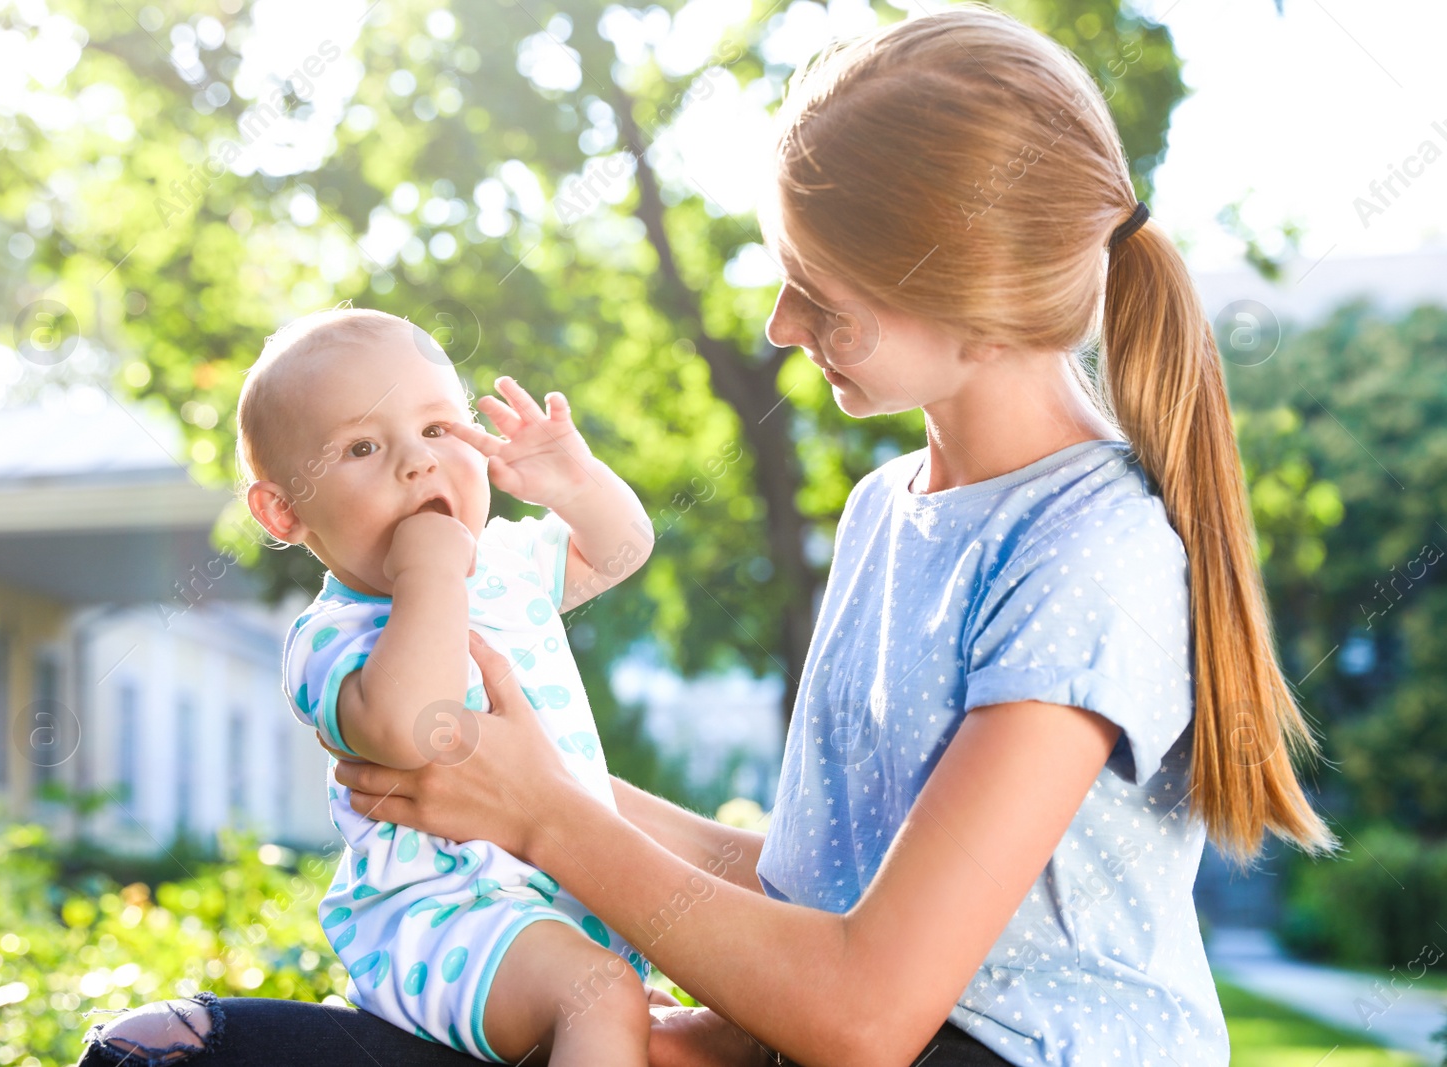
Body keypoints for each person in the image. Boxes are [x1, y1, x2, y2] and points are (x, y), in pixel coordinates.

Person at [78, 6, 1336, 1066]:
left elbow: (866, 1006)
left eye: (820, 293)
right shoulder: (885, 511)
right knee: (162, 1049)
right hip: (834, 1038)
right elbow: (814, 890)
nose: (783, 324)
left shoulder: (1091, 551)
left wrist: (549, 822)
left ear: (971, 303)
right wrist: (530, 783)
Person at [98, 306, 665, 1065]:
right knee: (600, 996)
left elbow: (621, 548)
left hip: (561, 906)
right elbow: (411, 727)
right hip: (445, 919)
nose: (417, 462)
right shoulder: (332, 635)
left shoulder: (506, 564)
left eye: (437, 429)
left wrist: (575, 479)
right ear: (285, 509)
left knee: (647, 1012)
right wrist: (429, 569)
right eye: (362, 446)